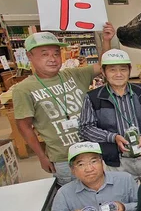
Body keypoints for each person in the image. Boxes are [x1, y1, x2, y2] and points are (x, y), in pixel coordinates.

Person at [13, 26, 115, 185]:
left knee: (101, 190)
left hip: (92, 150)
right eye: (44, 54)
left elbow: (103, 65)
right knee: (74, 198)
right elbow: (24, 126)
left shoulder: (74, 74)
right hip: (63, 158)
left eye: (55, 53)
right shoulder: (24, 89)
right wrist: (41, 156)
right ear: (29, 56)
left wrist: (106, 40)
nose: (52, 58)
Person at [80, 49, 141, 183]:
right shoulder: (93, 98)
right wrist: (113, 137)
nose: (118, 74)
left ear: (129, 70)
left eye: (123, 69)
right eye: (112, 70)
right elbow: (86, 128)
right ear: (103, 72)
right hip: (117, 161)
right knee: (123, 196)